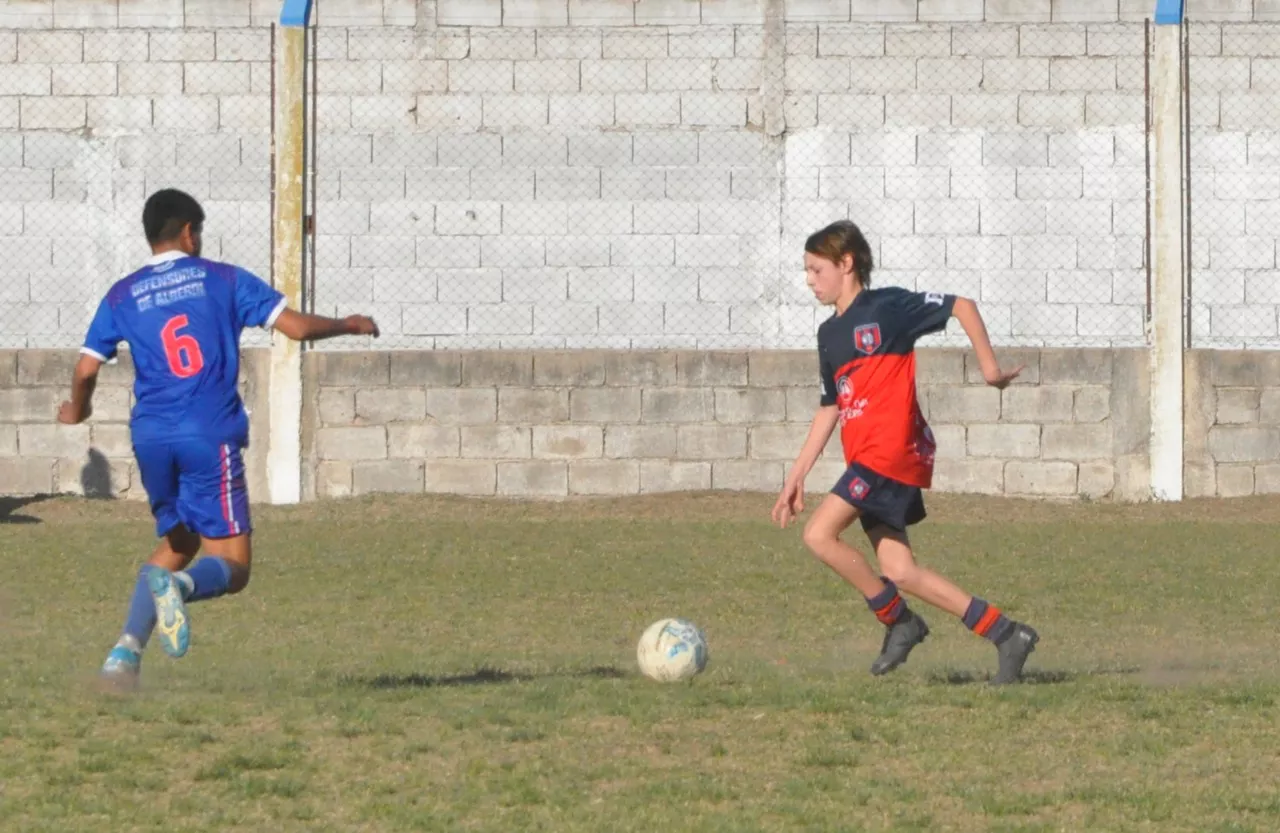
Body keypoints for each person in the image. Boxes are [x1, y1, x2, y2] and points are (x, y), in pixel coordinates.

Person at [58, 188, 379, 690]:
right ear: (188, 231)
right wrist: (347, 324)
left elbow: (84, 369)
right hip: (207, 432)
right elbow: (293, 327)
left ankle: (123, 656)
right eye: (199, 232)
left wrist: (77, 410)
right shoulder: (222, 279)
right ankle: (181, 588)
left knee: (179, 541)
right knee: (233, 565)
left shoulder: (122, 294)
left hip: (151, 438)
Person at [771, 220, 1039, 685]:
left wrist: (990, 369)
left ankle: (899, 621)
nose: (809, 281)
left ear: (846, 263)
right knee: (901, 570)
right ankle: (1006, 633)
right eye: (807, 272)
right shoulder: (828, 335)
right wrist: (796, 476)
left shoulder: (888, 307)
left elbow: (962, 306)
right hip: (869, 460)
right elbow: (830, 407)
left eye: (816, 270)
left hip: (888, 454)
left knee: (818, 535)